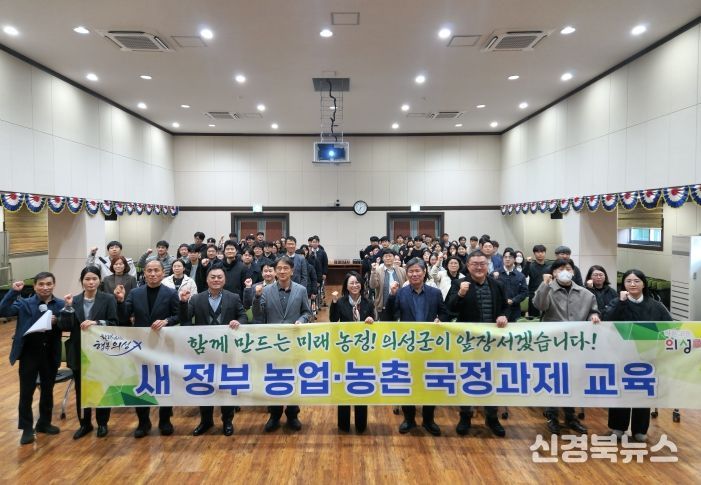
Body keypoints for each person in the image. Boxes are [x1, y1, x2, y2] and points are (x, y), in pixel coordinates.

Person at [603, 269, 673, 442]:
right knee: (621, 390)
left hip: (647, 357)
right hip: (621, 354)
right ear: (623, 284)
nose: (632, 284)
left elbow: (668, 326)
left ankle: (640, 429)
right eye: (628, 281)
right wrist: (621, 303)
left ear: (643, 284)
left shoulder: (656, 305)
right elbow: (607, 321)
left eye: (636, 281)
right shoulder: (616, 302)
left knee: (642, 392)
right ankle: (618, 427)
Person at [533, 259, 600, 435]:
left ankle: (570, 417)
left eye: (568, 268)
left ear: (573, 272)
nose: (565, 272)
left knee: (573, 381)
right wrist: (544, 285)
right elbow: (539, 305)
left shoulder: (585, 294)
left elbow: (593, 310)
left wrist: (593, 315)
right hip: (553, 344)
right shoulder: (548, 290)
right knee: (554, 380)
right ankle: (552, 417)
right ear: (554, 272)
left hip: (576, 344)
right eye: (560, 269)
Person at [383, 258, 450, 436]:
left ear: (424, 272)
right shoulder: (401, 293)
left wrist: (440, 320)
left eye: (417, 271)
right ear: (407, 274)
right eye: (411, 271)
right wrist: (391, 296)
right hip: (408, 347)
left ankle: (429, 420)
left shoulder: (435, 293)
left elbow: (444, 313)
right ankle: (409, 419)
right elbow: (388, 318)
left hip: (430, 346)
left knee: (430, 384)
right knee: (408, 383)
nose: (414, 274)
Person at [179, 266, 248, 436]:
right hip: (204, 352)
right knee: (205, 387)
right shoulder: (196, 298)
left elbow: (243, 316)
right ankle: (206, 421)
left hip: (227, 350)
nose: (216, 280)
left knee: (226, 387)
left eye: (219, 277)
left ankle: (227, 421)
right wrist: (183, 303)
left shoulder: (233, 297)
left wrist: (238, 322)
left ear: (224, 280)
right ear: (207, 279)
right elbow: (185, 321)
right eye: (213, 277)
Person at [114, 260, 180, 438]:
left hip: (163, 346)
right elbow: (123, 317)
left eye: (156, 270)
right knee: (141, 383)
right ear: (144, 273)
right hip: (140, 347)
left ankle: (165, 420)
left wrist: (167, 321)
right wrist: (120, 301)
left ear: (163, 273)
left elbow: (179, 315)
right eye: (149, 270)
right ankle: (143, 422)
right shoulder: (135, 293)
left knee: (164, 383)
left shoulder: (171, 293)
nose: (152, 274)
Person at [446, 251, 508, 437]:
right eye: (475, 264)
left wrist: (503, 315)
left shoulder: (497, 284)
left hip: (492, 342)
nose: (479, 267)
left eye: (482, 263)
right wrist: (460, 294)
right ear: (468, 266)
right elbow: (449, 309)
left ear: (488, 265)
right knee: (468, 378)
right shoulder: (459, 283)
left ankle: (492, 418)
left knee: (492, 379)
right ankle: (465, 416)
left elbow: (506, 307)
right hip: (468, 343)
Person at [0, 272, 65, 445]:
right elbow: (3, 310)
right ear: (35, 286)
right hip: (29, 353)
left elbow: (68, 324)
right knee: (26, 391)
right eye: (41, 284)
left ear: (54, 285)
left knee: (47, 390)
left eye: (49, 284)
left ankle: (44, 422)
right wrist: (13, 292)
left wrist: (58, 321)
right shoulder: (24, 303)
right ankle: (27, 428)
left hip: (50, 353)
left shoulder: (60, 304)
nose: (45, 287)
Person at [252, 256, 313, 432]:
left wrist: (302, 320)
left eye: (286, 268)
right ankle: (274, 414)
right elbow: (258, 315)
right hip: (273, 343)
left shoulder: (301, 290)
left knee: (294, 377)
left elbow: (307, 312)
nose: (282, 271)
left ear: (292, 271)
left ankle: (293, 414)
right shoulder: (266, 290)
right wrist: (256, 297)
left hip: (294, 341)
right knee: (275, 378)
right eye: (279, 268)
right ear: (274, 271)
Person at [60, 266, 118, 439]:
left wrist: (96, 323)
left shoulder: (108, 299)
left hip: (101, 351)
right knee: (81, 390)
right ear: (81, 281)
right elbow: (65, 326)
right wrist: (67, 308)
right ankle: (85, 424)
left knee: (102, 388)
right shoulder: (74, 300)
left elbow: (114, 323)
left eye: (94, 279)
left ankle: (102, 423)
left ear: (99, 280)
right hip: (79, 351)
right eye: (87, 279)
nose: (91, 282)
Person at [329, 271, 375, 433]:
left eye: (357, 283)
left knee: (361, 386)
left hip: (363, 352)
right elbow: (333, 321)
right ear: (346, 287)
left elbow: (374, 323)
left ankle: (361, 424)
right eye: (351, 283)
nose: (355, 285)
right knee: (344, 386)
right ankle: (343, 424)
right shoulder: (341, 302)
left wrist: (371, 320)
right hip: (345, 351)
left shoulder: (368, 303)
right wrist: (334, 303)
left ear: (361, 285)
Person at [369, 249, 407, 316]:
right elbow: (373, 285)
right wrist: (373, 272)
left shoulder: (402, 271)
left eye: (390, 256)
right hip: (383, 306)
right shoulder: (377, 271)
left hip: (400, 306)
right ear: (382, 258)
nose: (388, 258)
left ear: (394, 258)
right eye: (386, 256)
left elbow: (406, 286)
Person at [495, 248, 528, 322]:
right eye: (505, 257)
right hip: (499, 310)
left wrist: (513, 300)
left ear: (514, 259)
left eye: (510, 257)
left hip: (515, 310)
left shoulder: (520, 276)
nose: (507, 259)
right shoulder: (495, 274)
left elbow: (524, 292)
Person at [523, 244, 550, 318]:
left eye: (542, 252)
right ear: (534, 254)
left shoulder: (549, 266)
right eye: (537, 252)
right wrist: (527, 263)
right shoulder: (530, 265)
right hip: (533, 295)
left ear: (545, 253)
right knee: (533, 317)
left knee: (547, 316)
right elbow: (523, 275)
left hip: (547, 294)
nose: (540, 254)